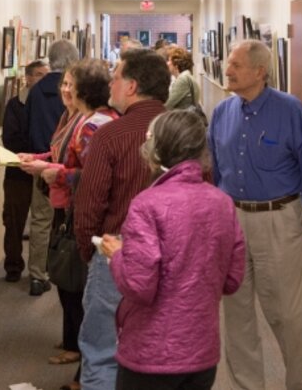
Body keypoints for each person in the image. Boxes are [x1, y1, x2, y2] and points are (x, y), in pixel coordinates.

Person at [209, 39, 302, 390]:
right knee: (237, 314)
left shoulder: (290, 111)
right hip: (233, 220)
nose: (227, 70)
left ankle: (299, 383)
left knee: (287, 314)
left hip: (278, 219)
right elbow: (215, 172)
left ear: (259, 72)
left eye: (235, 65)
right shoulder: (221, 112)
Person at [100, 110, 246, 390]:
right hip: (201, 351)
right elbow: (232, 279)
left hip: (151, 352)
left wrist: (117, 255)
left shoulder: (147, 204)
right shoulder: (222, 203)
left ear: (154, 151)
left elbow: (139, 284)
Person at [73, 49, 170, 390]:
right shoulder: (185, 132)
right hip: (173, 255)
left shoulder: (111, 135)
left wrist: (89, 248)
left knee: (102, 350)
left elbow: (89, 203)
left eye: (115, 77)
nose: (110, 83)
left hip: (117, 251)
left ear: (131, 86)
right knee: (163, 351)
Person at [38, 59, 119, 390]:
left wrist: (57, 173)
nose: (65, 89)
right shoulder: (77, 119)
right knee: (75, 287)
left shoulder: (93, 125)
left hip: (82, 214)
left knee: (83, 291)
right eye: (63, 83)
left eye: (71, 83)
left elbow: (91, 176)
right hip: (71, 209)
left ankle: (85, 374)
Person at [24, 39, 80, 296]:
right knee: (67, 222)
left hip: (41, 163)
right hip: (64, 167)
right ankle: (64, 271)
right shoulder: (72, 91)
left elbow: (29, 127)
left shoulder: (35, 91)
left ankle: (37, 275)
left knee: (40, 220)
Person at [2, 60, 50, 282]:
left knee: (42, 221)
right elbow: (10, 139)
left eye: (46, 75)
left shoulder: (52, 102)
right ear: (28, 78)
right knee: (14, 220)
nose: (44, 79)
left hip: (43, 171)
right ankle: (13, 266)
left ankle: (38, 270)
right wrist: (32, 153)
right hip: (18, 172)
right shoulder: (15, 105)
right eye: (39, 75)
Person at [164, 46, 200, 110]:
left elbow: (168, 104)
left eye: (169, 60)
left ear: (176, 65)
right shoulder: (186, 76)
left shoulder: (183, 79)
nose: (167, 63)